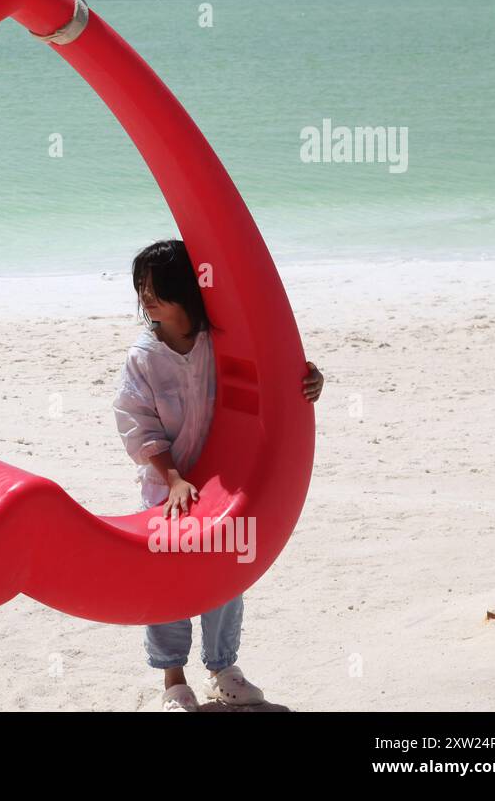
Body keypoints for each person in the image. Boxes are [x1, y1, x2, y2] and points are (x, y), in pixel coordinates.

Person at [111, 239, 323, 712]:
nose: (146, 297)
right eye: (140, 287)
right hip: (167, 487)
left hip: (224, 481)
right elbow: (136, 425)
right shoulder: (144, 356)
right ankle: (173, 683)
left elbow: (269, 373)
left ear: (185, 288)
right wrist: (173, 479)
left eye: (156, 286)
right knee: (168, 577)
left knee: (227, 569)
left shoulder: (219, 339)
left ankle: (223, 670)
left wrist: (309, 379)